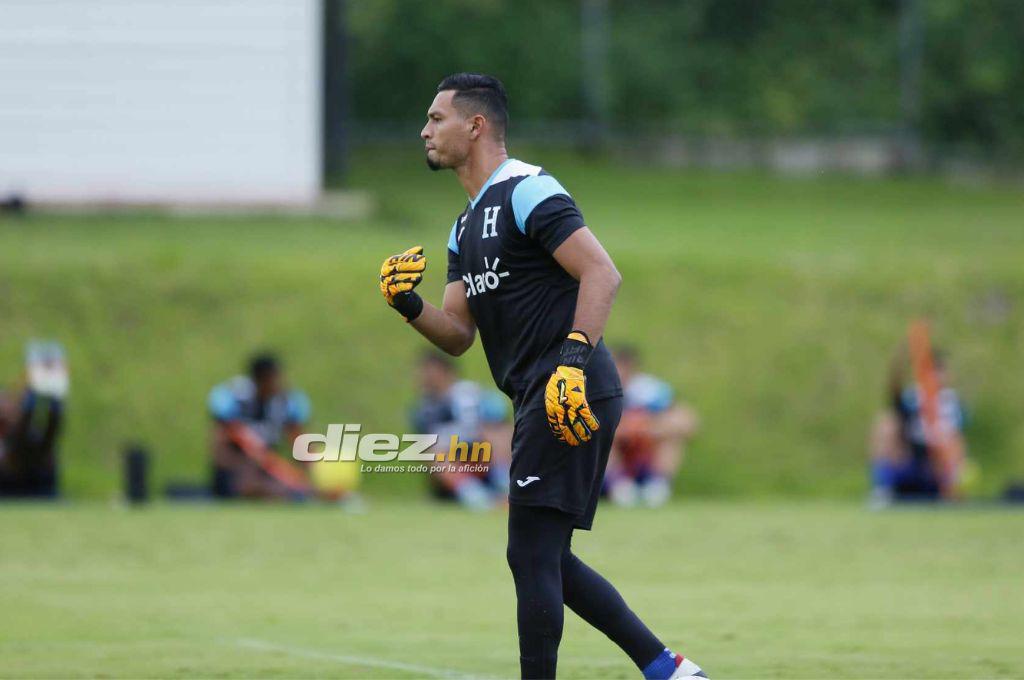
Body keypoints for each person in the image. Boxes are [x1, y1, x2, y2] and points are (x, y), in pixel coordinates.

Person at [378, 73, 706, 679]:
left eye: (436, 118)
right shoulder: (464, 226)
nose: (424, 130)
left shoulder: (527, 189)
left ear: (475, 126)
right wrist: (408, 305)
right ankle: (668, 669)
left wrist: (572, 364)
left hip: (570, 389)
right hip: (539, 396)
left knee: (529, 552)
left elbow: (602, 274)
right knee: (546, 557)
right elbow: (457, 334)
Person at [410, 350, 511, 510]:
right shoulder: (423, 409)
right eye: (424, 372)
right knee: (432, 452)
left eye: (431, 372)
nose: (426, 377)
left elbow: (499, 419)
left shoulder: (470, 394)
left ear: (446, 372)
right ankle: (478, 499)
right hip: (454, 461)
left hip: (483, 454)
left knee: (498, 433)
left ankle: (506, 486)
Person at [869, 345, 968, 504]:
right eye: (931, 370)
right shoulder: (913, 397)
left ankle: (952, 491)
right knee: (887, 423)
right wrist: (898, 366)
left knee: (953, 441)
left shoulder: (951, 402)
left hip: (937, 464)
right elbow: (895, 401)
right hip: (912, 458)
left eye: (940, 370)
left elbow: (956, 439)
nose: (936, 376)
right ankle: (882, 488)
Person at [207, 353, 312, 500]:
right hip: (237, 468)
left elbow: (300, 444)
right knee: (251, 481)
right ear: (261, 379)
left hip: (267, 468)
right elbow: (220, 450)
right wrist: (242, 466)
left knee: (291, 487)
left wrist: (304, 475)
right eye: (274, 378)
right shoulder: (235, 399)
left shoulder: (286, 402)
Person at [605, 346, 698, 507]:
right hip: (615, 455)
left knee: (673, 437)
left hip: (645, 451)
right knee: (601, 437)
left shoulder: (649, 391)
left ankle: (657, 485)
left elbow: (687, 421)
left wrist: (647, 428)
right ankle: (618, 486)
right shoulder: (595, 389)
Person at [0, 341, 67, 498]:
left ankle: (52, 404)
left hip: (33, 472)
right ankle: (43, 402)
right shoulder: (11, 431)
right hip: (10, 475)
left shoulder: (22, 427)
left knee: (42, 437)